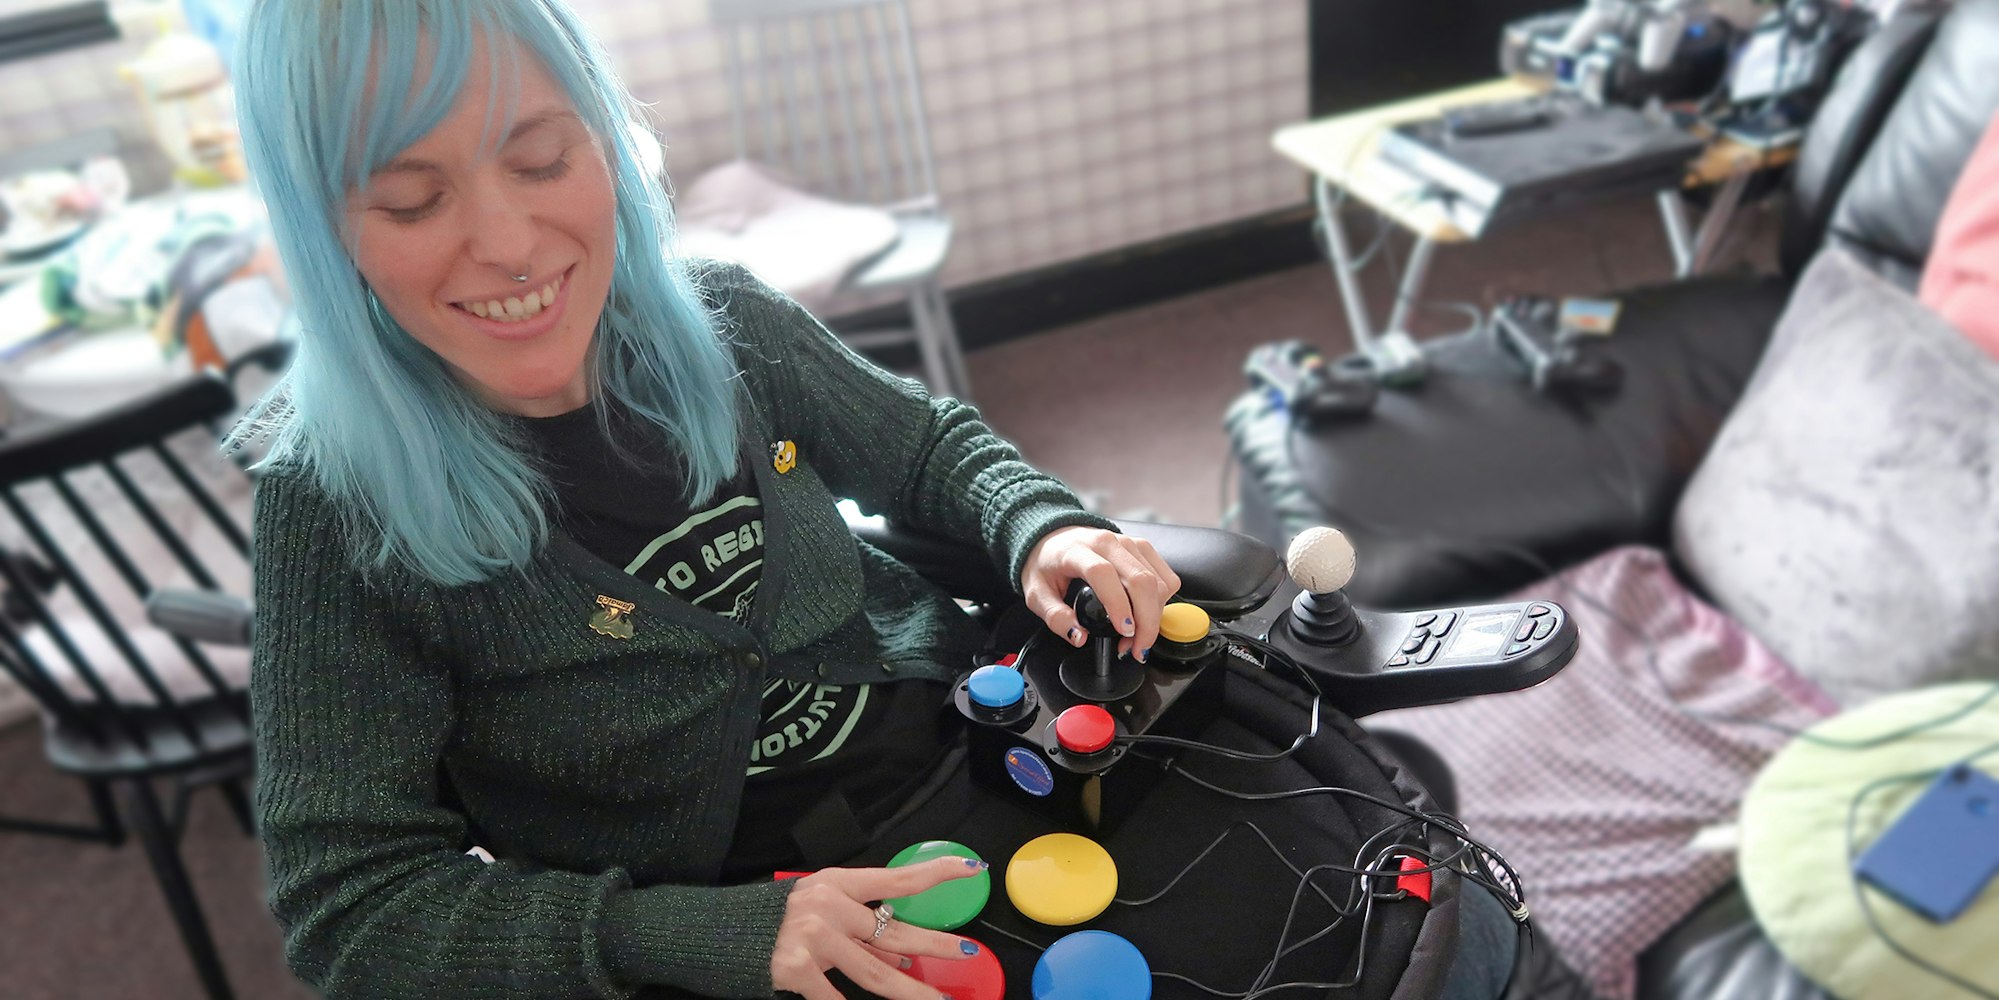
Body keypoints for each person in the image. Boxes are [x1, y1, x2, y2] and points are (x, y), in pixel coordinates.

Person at [234, 2, 1521, 998]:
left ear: (600, 140)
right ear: (324, 227)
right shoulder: (329, 510)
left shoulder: (724, 321)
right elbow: (352, 904)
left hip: (964, 755)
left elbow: (928, 452)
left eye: (541, 157)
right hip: (724, 913)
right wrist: (679, 934)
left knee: (1395, 921)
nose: (511, 245)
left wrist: (1041, 524)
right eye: (412, 199)